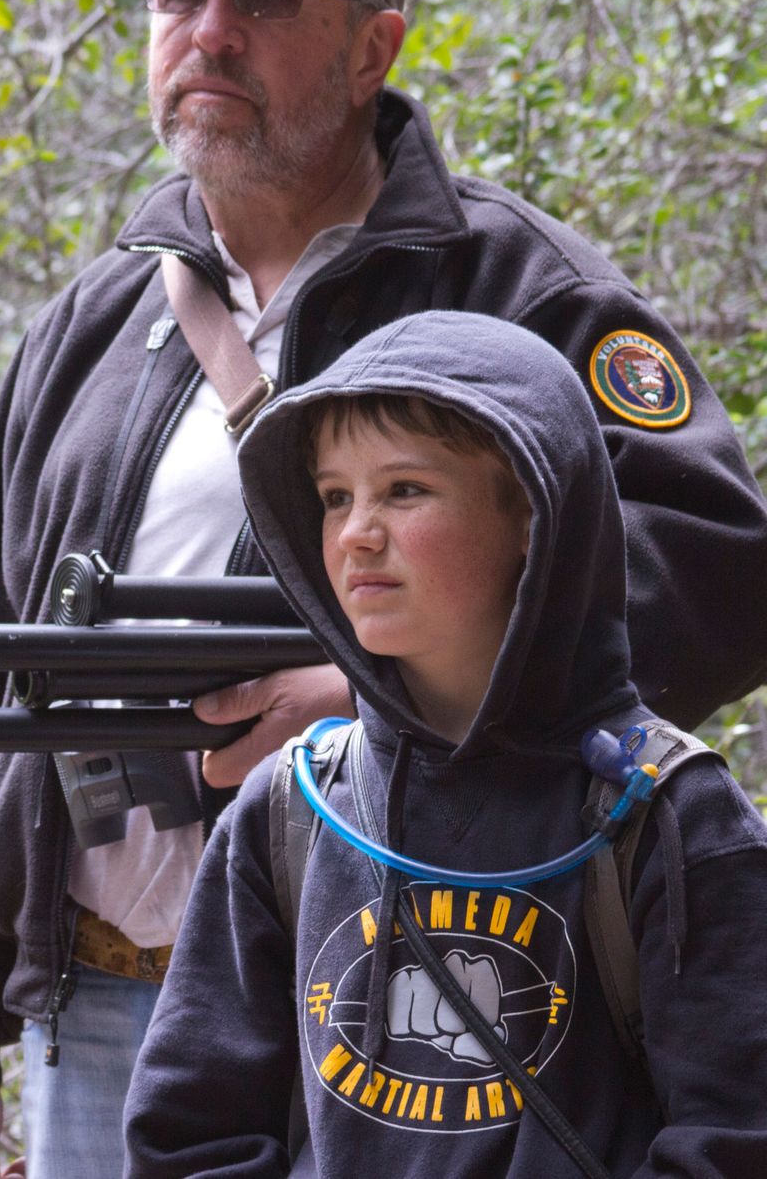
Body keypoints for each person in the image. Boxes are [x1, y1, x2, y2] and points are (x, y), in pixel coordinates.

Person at [0, 0, 767, 1175]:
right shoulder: (95, 321)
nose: (210, 28)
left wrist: (373, 693)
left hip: (402, 996)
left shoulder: (523, 291)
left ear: (372, 50)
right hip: (94, 1005)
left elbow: (718, 563)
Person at [123, 311, 767, 1175]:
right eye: (335, 497)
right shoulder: (291, 811)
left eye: (404, 490)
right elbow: (191, 1136)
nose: (356, 532)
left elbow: (735, 1139)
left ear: (534, 511)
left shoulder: (667, 815)